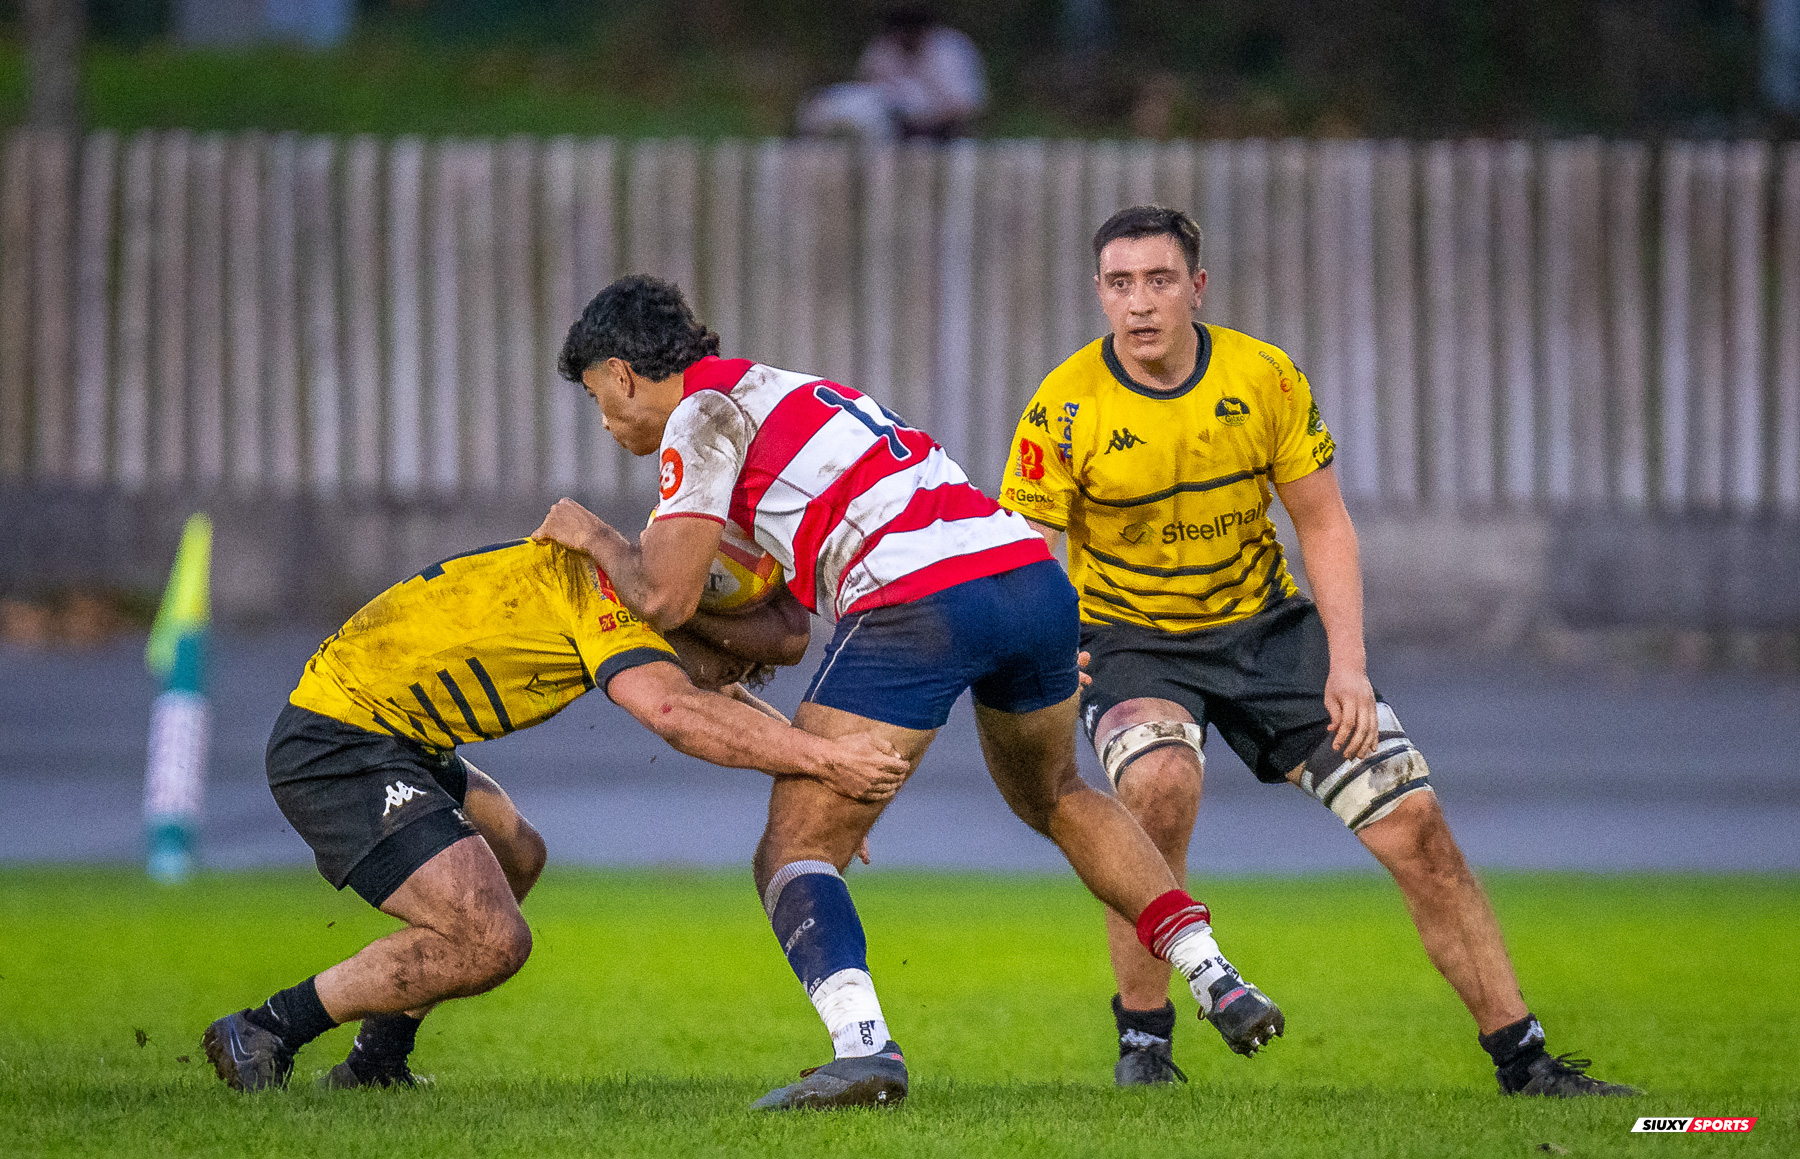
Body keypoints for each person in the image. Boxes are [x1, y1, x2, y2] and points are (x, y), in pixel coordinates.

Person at [540, 274, 1286, 1112]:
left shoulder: (699, 418)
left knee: (791, 852)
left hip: (919, 601)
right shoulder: (787, 394)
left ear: (624, 372)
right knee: (1059, 794)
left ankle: (864, 1051)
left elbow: (667, 597)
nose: (608, 423)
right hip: (1030, 583)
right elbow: (785, 631)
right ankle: (1212, 972)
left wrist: (593, 534)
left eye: (603, 400)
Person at [997, 204, 1640, 1097]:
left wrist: (1348, 664)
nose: (1139, 303)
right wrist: (1043, 644)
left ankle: (1526, 1061)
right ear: (1098, 292)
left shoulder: (1264, 377)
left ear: (1196, 288)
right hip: (1131, 641)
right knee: (1154, 788)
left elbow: (1324, 523)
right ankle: (1145, 1044)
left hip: (1268, 633)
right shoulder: (1062, 405)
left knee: (1418, 826)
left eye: (1159, 280)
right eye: (1119, 283)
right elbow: (1026, 548)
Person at [201, 535, 909, 1092]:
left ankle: (376, 1064)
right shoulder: (610, 599)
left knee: (517, 856)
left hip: (395, 734)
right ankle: (265, 1029)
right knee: (489, 942)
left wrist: (812, 775)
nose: (742, 677)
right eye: (740, 659)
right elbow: (675, 709)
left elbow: (703, 700)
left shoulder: (616, 582)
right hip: (341, 743)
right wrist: (827, 762)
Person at [796, 3, 987, 140]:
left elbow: (967, 107)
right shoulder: (883, 47)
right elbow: (866, 89)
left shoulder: (950, 49)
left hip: (940, 136)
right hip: (888, 133)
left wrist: (922, 121)